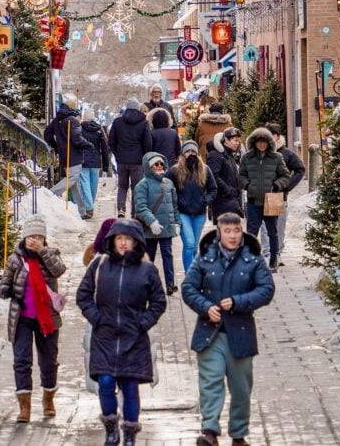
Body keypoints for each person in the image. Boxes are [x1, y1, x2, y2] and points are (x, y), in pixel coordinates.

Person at [181, 212, 275, 446]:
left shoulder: (252, 257)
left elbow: (266, 289)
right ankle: (209, 431)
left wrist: (238, 302)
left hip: (240, 333)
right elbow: (188, 288)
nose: (232, 236)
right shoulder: (205, 256)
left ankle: (238, 434)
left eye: (236, 231)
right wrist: (205, 307)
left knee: (241, 388)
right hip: (209, 333)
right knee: (211, 383)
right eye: (227, 231)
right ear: (219, 232)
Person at [77, 219, 167, 446]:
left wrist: (143, 322)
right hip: (105, 337)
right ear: (112, 240)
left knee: (129, 386)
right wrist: (97, 318)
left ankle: (129, 433)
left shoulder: (147, 270)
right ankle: (110, 428)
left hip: (133, 338)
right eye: (120, 239)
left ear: (136, 242)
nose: (124, 243)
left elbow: (158, 301)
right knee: (105, 382)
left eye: (128, 239)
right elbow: (83, 295)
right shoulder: (100, 265)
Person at [0, 215, 67, 422]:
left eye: (39, 237)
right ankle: (24, 407)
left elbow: (59, 270)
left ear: (44, 239)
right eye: (31, 237)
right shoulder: (15, 259)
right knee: (21, 361)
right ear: (24, 238)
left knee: (48, 362)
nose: (34, 240)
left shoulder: (50, 254)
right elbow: (3, 285)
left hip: (47, 318)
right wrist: (6, 289)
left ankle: (48, 400)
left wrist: (43, 252)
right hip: (22, 319)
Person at [238, 127, 291, 273]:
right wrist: (248, 185)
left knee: (272, 231)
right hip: (253, 200)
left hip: (271, 200)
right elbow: (241, 176)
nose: (262, 145)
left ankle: (273, 259)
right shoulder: (247, 158)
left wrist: (276, 185)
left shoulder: (276, 158)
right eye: (259, 142)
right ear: (254, 143)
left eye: (264, 142)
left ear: (269, 143)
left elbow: (285, 176)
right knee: (251, 232)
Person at [259, 123, 306, 268]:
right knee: (265, 227)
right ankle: (268, 253)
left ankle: (277, 252)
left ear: (277, 136)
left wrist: (287, 186)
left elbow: (300, 169)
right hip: (261, 195)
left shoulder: (286, 154)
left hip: (278, 195)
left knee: (278, 226)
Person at [134, 151, 181, 294]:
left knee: (168, 255)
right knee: (149, 257)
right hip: (150, 229)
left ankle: (170, 284)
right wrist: (152, 221)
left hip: (166, 228)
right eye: (156, 164)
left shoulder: (169, 183)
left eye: (161, 163)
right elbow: (140, 207)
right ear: (149, 166)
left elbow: (174, 206)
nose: (159, 166)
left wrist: (177, 223)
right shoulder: (142, 185)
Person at [168, 139, 217, 272]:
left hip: (199, 213)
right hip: (183, 212)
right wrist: (176, 203)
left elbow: (213, 189)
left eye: (193, 152)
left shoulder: (205, 169)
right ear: (183, 154)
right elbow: (168, 190)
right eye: (188, 151)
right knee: (189, 244)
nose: (191, 154)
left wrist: (206, 200)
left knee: (195, 246)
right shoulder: (174, 171)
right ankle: (189, 275)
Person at [44, 93, 94, 218]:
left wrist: (56, 146)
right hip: (74, 156)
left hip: (64, 155)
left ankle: (82, 211)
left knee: (75, 184)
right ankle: (49, 194)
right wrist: (88, 145)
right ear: (72, 109)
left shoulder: (57, 120)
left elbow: (47, 134)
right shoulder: (73, 121)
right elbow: (77, 140)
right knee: (71, 180)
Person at [108, 98, 153, 218]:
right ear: (138, 108)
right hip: (138, 161)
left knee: (122, 186)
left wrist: (117, 154)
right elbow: (147, 143)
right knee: (136, 188)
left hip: (122, 159)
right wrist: (145, 156)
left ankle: (121, 209)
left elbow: (111, 141)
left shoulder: (118, 122)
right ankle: (134, 212)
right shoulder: (143, 122)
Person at [79, 107, 112, 220]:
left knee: (85, 184)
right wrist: (106, 165)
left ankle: (89, 207)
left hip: (83, 160)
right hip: (96, 161)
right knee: (93, 185)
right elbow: (104, 147)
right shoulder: (99, 130)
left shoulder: (80, 128)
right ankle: (90, 206)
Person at [206, 128, 244, 222]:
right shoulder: (215, 155)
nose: (237, 143)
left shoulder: (229, 155)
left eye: (238, 141)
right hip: (222, 201)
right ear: (226, 140)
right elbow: (213, 177)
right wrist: (228, 190)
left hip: (231, 200)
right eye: (235, 140)